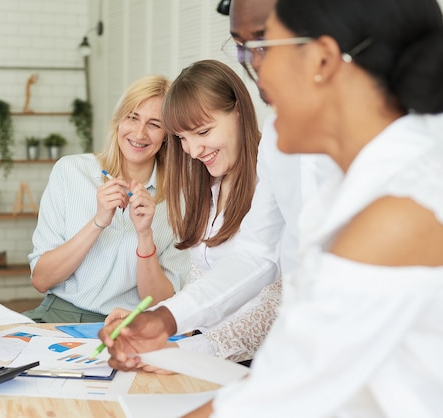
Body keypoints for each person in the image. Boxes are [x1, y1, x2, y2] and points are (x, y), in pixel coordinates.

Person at [188, 0, 443, 415]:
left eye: (265, 48)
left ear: (322, 58)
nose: (257, 76)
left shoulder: (396, 219)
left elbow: (270, 401)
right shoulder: (362, 186)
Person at [100, 0, 339, 367]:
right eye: (243, 48)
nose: (254, 64)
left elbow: (275, 291)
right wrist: (166, 321)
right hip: (285, 356)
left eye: (261, 43)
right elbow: (255, 258)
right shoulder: (275, 140)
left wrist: (182, 344)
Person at [23, 74, 189, 323]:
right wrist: (98, 222)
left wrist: (145, 235)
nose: (140, 133)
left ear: (168, 134)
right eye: (132, 117)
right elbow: (41, 280)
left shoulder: (182, 201)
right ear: (119, 121)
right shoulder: (70, 171)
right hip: (56, 316)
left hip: (127, 325)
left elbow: (159, 304)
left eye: (154, 124)